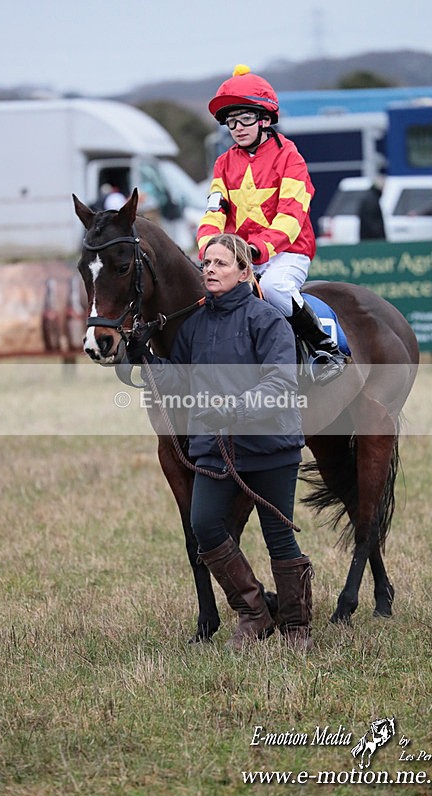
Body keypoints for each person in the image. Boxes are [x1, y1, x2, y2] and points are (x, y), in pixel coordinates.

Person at [126, 233, 313, 652]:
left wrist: (231, 411)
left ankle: (298, 626)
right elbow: (179, 378)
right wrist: (147, 359)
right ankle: (254, 613)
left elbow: (281, 384)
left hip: (271, 449)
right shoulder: (195, 326)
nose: (209, 269)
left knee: (278, 537)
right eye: (206, 263)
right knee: (204, 525)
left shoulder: (268, 321)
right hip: (215, 450)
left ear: (245, 272)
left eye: (221, 263)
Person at [197, 64, 346, 384]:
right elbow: (215, 210)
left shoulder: (290, 157)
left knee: (274, 288)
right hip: (240, 256)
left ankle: (325, 349)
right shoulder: (223, 163)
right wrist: (208, 246)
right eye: (231, 121)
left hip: (287, 251)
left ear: (265, 119)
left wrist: (257, 248)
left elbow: (292, 216)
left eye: (245, 118)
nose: (237, 127)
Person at [359, 176, 386, 240]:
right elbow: (372, 223)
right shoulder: (372, 200)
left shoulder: (371, 197)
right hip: (371, 239)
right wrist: (380, 237)